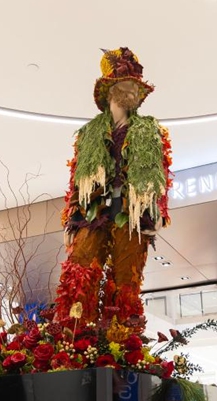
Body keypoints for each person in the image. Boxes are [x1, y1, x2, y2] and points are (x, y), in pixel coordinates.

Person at [54, 47, 173, 331]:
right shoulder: (88, 135)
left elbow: (160, 174)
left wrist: (157, 210)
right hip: (92, 212)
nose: (132, 90)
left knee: (126, 279)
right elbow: (77, 179)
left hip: (133, 214)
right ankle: (74, 338)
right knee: (80, 271)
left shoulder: (150, 131)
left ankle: (122, 341)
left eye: (136, 86)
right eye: (126, 83)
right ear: (110, 91)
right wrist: (71, 217)